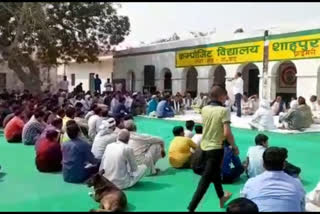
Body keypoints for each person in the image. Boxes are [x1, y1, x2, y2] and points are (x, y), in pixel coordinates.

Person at [188, 85, 239, 211]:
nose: (226, 99)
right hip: (216, 149)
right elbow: (227, 133)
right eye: (225, 96)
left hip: (204, 148)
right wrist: (234, 147)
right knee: (205, 181)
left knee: (215, 174)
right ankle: (191, 208)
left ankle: (222, 197)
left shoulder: (204, 109)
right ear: (221, 96)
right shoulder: (224, 110)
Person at [241, 147, 305, 212]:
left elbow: (243, 206)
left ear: (263, 164)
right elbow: (302, 208)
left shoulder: (251, 183)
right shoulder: (297, 184)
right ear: (284, 164)